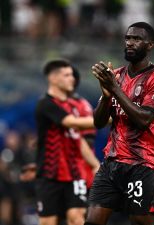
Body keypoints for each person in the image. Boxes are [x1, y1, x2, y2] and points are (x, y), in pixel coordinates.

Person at [84, 21, 154, 225]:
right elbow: (98, 123)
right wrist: (106, 96)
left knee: (140, 222)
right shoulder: (116, 76)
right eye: (128, 38)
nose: (130, 42)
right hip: (111, 162)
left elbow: (143, 120)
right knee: (91, 221)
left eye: (137, 39)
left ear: (150, 45)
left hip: (140, 164)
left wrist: (115, 89)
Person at [34, 59, 99, 225]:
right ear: (53, 78)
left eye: (72, 75)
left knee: (77, 219)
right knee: (49, 222)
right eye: (67, 75)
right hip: (50, 175)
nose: (72, 79)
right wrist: (109, 119)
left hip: (74, 175)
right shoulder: (45, 104)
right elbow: (71, 123)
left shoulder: (75, 106)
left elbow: (77, 138)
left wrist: (95, 164)